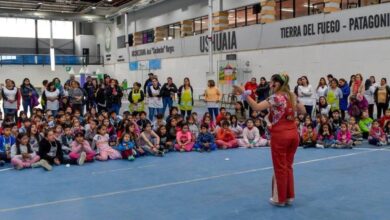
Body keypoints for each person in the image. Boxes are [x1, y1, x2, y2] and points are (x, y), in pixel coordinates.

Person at [234, 73, 305, 207]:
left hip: (281, 135)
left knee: (280, 167)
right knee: (288, 166)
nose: (269, 85)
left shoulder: (275, 98)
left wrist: (242, 92)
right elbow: (302, 110)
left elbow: (255, 107)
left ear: (275, 84)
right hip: (293, 134)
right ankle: (289, 196)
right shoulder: (291, 94)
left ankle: (279, 199)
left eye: (270, 83)